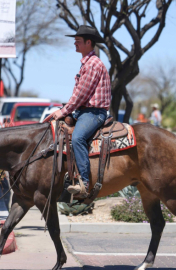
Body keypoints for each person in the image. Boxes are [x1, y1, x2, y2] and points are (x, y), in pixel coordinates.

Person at [50, 25, 111, 198]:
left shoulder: (92, 65)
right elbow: (78, 95)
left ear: (88, 42)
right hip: (84, 111)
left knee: (78, 137)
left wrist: (63, 111)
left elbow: (81, 94)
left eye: (78, 41)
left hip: (94, 113)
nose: (75, 44)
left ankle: (84, 183)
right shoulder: (88, 63)